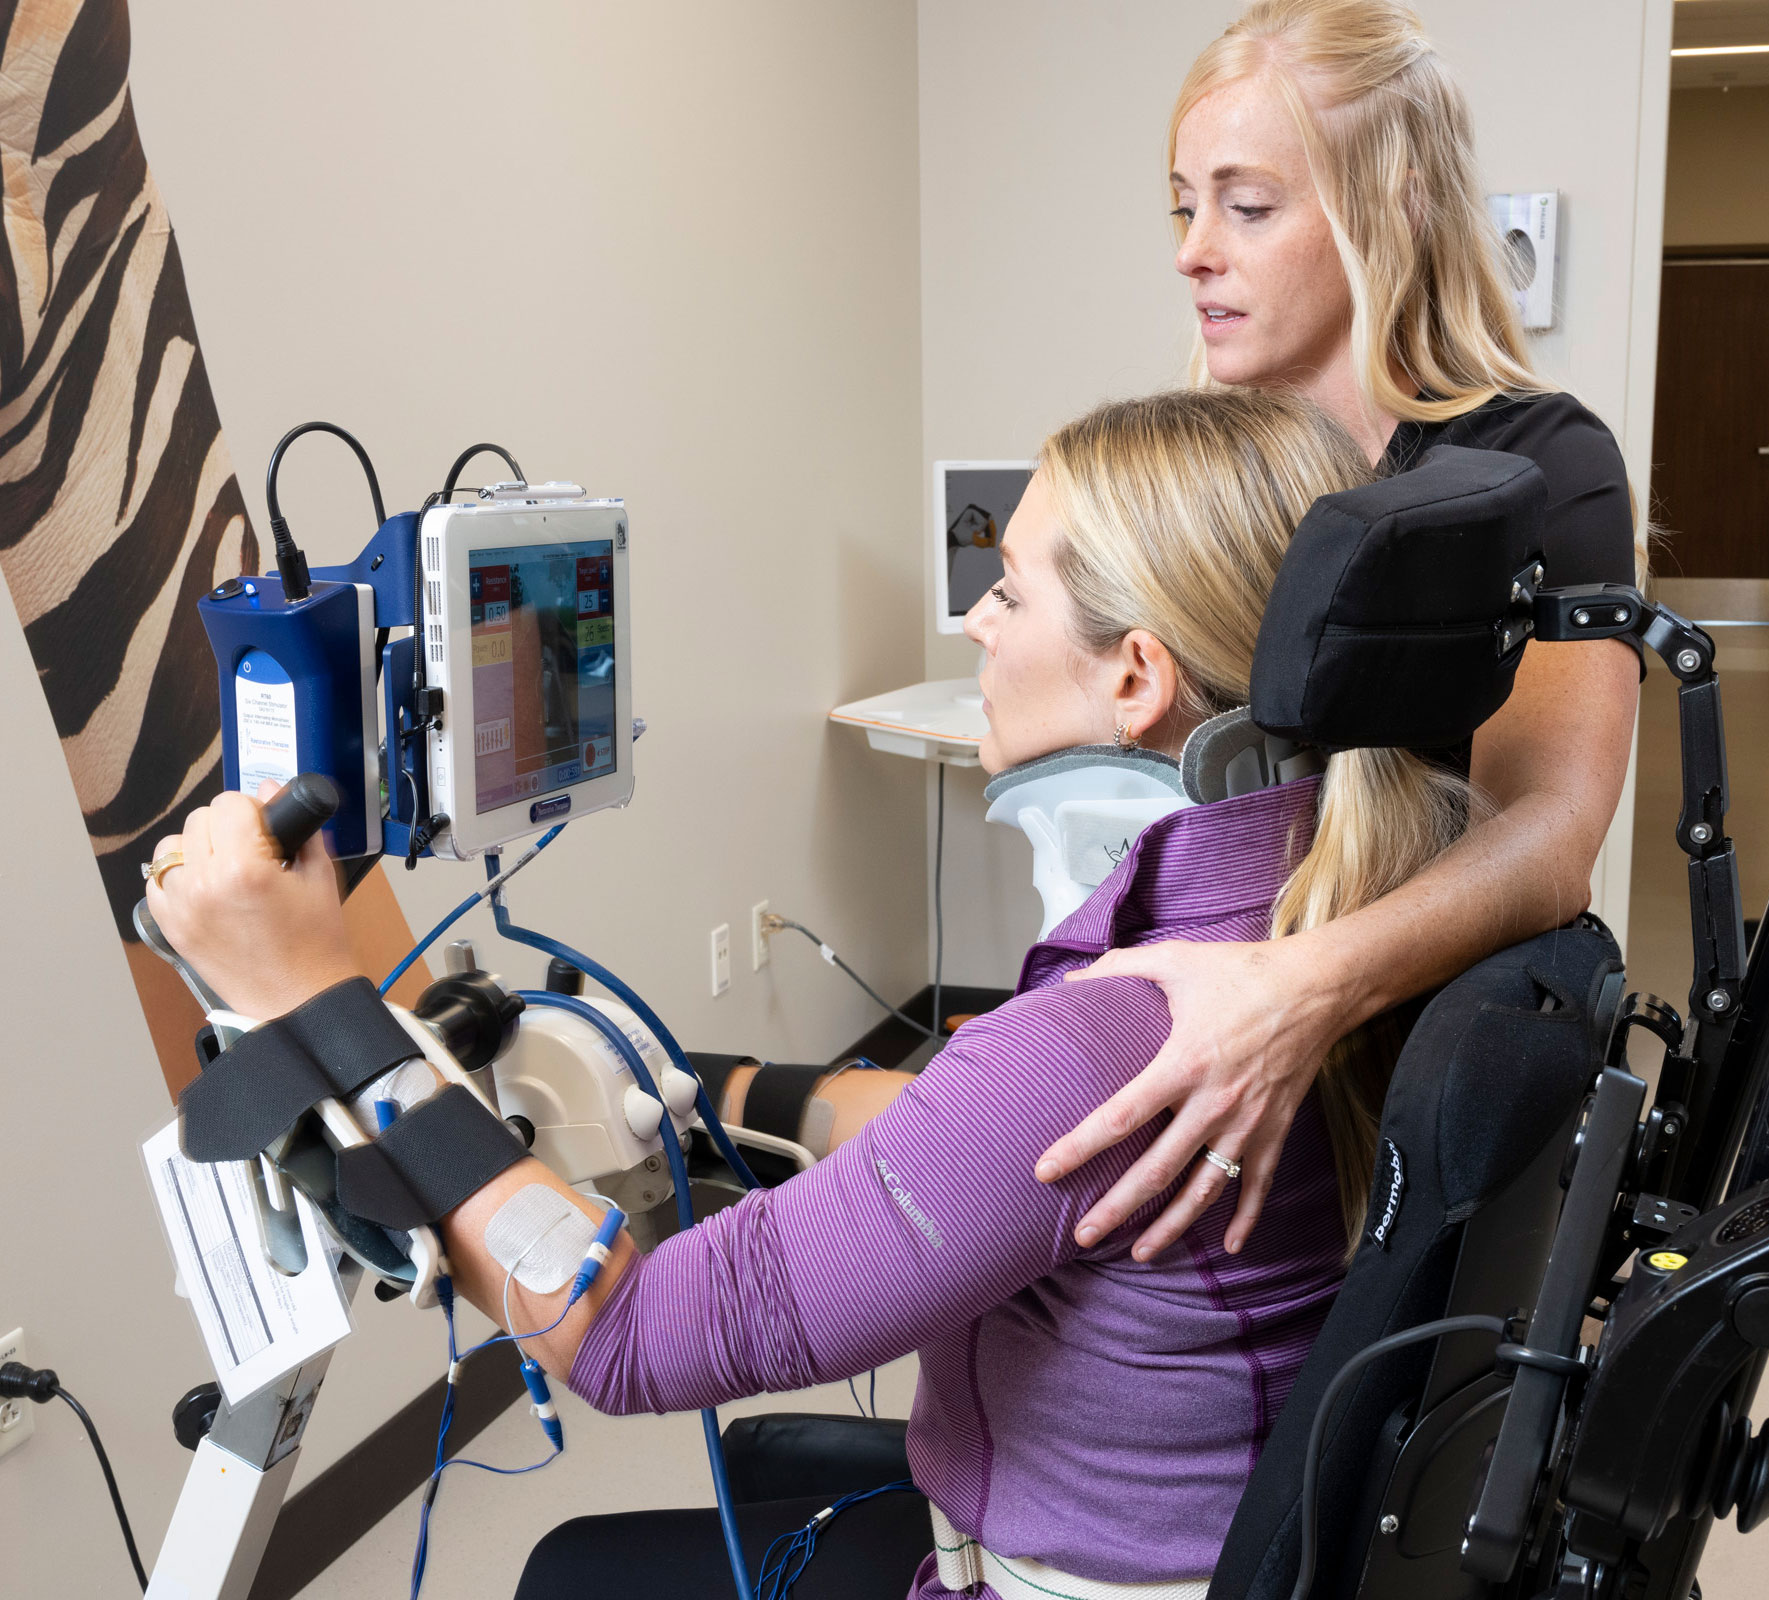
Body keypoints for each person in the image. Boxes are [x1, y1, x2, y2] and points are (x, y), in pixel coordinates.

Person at [148, 389, 1471, 1597]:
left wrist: (320, 995)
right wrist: (707, 1087)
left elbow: (626, 1336)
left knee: (571, 1577)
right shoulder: (1341, 900)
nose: (977, 625)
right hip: (1227, 1531)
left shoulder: (1108, 1039)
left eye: (1007, 592)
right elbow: (970, 1130)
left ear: (1135, 676)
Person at [1035, 0, 1645, 1265]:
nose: (1194, 251)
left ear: (1394, 204)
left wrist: (1296, 995)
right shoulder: (1216, 475)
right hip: (1204, 990)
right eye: (1181, 207)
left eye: (1246, 207)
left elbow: (1547, 839)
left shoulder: (1534, 465)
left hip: (1381, 1059)